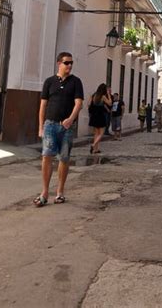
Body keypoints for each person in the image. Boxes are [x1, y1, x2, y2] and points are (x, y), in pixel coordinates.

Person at [34, 51, 84, 207]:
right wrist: (41, 127)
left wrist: (71, 119)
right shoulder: (49, 82)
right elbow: (43, 105)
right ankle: (44, 193)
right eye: (66, 63)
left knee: (64, 158)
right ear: (59, 63)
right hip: (50, 124)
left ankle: (60, 192)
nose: (69, 65)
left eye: (71, 63)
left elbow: (78, 103)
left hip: (66, 127)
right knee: (46, 157)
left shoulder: (76, 82)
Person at [88, 83, 112, 154]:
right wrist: (108, 95)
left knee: (96, 133)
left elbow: (88, 104)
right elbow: (110, 103)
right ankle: (93, 145)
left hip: (94, 116)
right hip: (100, 116)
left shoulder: (93, 95)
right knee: (101, 133)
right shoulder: (103, 96)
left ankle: (96, 149)